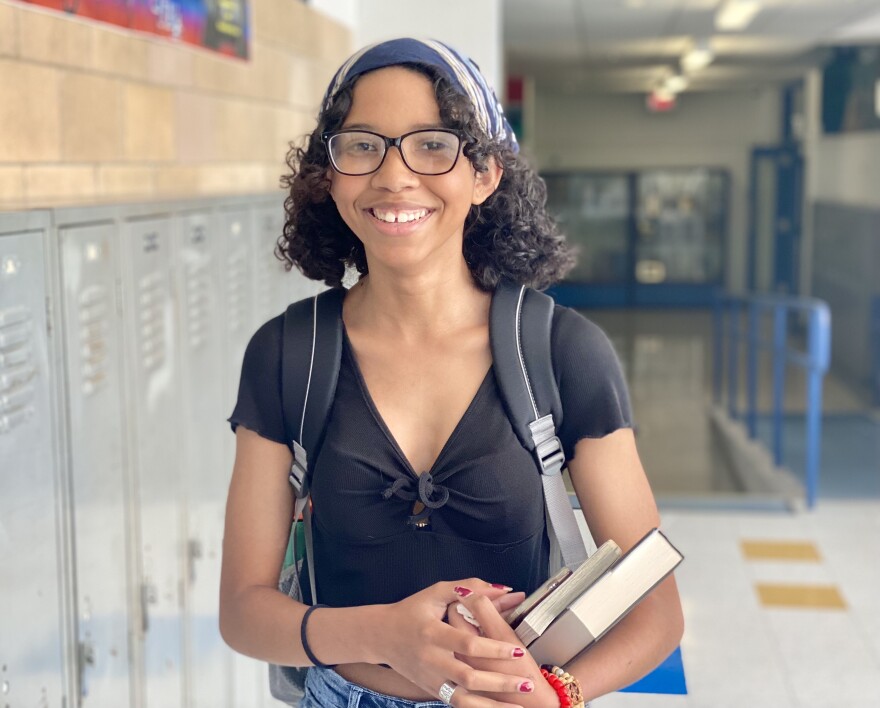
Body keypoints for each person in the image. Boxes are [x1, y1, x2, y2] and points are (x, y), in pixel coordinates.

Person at [220, 38, 683, 708]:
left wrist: (557, 695)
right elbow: (242, 611)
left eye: (433, 145)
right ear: (330, 172)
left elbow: (657, 612)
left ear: (485, 174)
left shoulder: (561, 353)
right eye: (362, 145)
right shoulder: (288, 354)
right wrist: (383, 634)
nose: (394, 176)